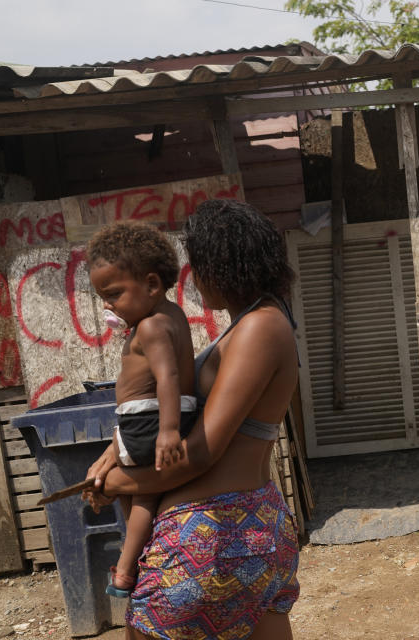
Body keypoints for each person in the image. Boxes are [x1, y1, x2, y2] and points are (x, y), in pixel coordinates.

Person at [83, 199, 300, 640]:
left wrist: (122, 484)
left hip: (212, 533)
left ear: (220, 266)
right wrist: (114, 454)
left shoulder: (259, 327)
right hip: (254, 525)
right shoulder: (253, 322)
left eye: (197, 266)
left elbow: (202, 452)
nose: (193, 280)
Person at [86, 221, 198, 598]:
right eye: (103, 295)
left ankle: (125, 569)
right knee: (143, 493)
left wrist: (167, 431)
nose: (107, 304)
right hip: (162, 416)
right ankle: (137, 560)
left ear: (151, 285)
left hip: (150, 420)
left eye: (114, 293)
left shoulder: (149, 327)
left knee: (142, 495)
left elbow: (167, 377)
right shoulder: (171, 315)